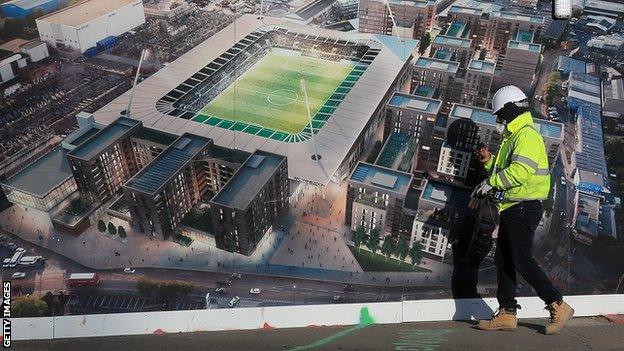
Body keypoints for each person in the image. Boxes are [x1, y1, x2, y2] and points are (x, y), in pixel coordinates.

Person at [470, 85, 574, 334]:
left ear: (510, 109)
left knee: (520, 259)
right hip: (513, 207)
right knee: (504, 259)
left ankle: (557, 304)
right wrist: (490, 164)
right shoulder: (514, 136)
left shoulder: (525, 135)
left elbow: (521, 172)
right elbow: (509, 170)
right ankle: (507, 313)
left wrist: (489, 182)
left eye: (500, 114)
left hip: (523, 207)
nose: (498, 119)